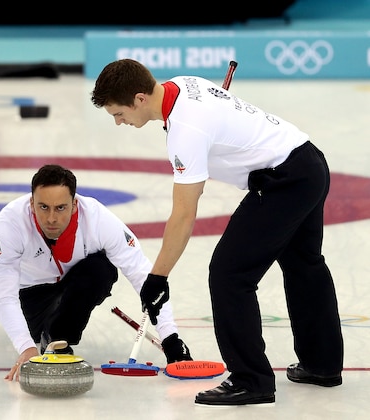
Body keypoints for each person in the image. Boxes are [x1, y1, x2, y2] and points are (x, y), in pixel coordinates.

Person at [90, 58, 344, 406]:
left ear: (138, 99)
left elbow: (183, 213)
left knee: (229, 273)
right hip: (308, 163)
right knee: (304, 265)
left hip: (283, 182)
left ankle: (251, 379)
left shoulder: (185, 128)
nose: (120, 122)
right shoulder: (182, 84)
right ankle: (322, 365)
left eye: (118, 113)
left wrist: (157, 277)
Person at [0, 164, 193, 382]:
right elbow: (3, 295)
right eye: (43, 207)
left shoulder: (97, 219)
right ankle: (44, 335)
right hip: (31, 298)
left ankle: (59, 340)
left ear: (75, 204)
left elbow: (143, 274)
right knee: (35, 315)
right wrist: (26, 347)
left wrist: (170, 337)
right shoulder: (10, 223)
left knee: (100, 270)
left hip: (73, 289)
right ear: (31, 203)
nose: (51, 219)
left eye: (60, 208)